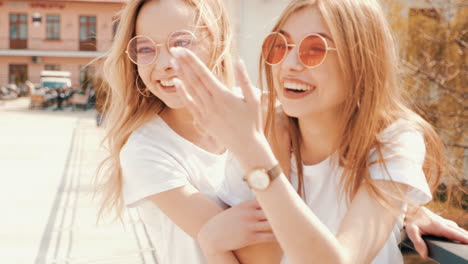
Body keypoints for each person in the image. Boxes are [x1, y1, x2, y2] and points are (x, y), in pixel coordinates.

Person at [170, 0, 468, 263]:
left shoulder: (393, 140)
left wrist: (403, 209)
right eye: (279, 46)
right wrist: (212, 245)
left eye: (314, 49)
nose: (288, 64)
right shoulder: (261, 135)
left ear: (360, 61)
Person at [95, 0, 281, 264]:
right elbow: (247, 254)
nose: (165, 64)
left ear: (217, 40)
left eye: (181, 43)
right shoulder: (145, 150)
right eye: (146, 48)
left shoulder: (267, 111)